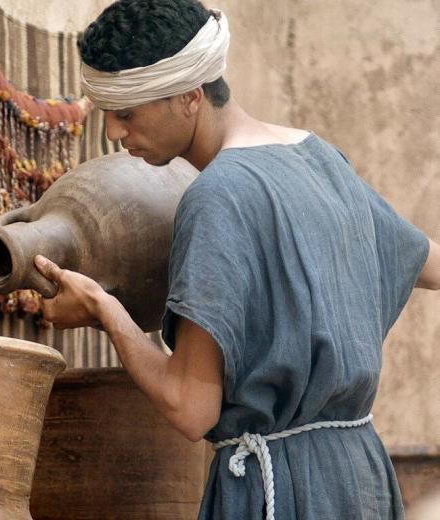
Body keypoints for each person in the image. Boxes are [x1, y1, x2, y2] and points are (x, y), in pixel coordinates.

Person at [32, 0, 440, 518]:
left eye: (127, 112)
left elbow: (190, 408)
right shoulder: (319, 157)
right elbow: (429, 262)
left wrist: (103, 308)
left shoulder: (217, 197)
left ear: (190, 95)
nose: (114, 132)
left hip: (279, 492)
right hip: (361, 479)